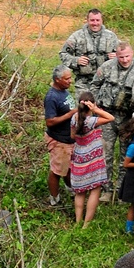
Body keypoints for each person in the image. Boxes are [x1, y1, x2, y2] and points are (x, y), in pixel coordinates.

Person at [91, 42, 134, 189]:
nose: (124, 60)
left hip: (128, 119)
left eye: (127, 56)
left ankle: (122, 188)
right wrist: (96, 107)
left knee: (126, 154)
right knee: (106, 154)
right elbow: (94, 85)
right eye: (121, 57)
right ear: (116, 55)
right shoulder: (106, 67)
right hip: (107, 117)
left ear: (133, 53)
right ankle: (106, 188)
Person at [69, 91, 113, 227]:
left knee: (80, 191)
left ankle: (77, 221)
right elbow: (110, 118)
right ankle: (86, 224)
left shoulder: (74, 118)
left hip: (79, 158)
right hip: (93, 159)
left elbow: (72, 137)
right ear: (92, 105)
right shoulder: (91, 121)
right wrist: (96, 110)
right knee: (95, 190)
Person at [59, 8, 119, 95]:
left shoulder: (111, 36)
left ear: (102, 20)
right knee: (84, 107)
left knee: (103, 108)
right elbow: (63, 54)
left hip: (106, 82)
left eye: (97, 20)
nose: (95, 23)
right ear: (87, 20)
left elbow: (125, 54)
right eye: (92, 20)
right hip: (83, 83)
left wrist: (116, 56)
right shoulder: (77, 36)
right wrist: (76, 60)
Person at [43, 67, 75, 209]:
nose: (70, 81)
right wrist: (69, 115)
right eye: (67, 79)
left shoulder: (64, 91)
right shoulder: (52, 97)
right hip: (59, 140)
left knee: (67, 167)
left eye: (70, 78)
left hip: (68, 139)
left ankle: (71, 188)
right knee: (57, 170)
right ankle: (54, 199)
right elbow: (50, 121)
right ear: (57, 80)